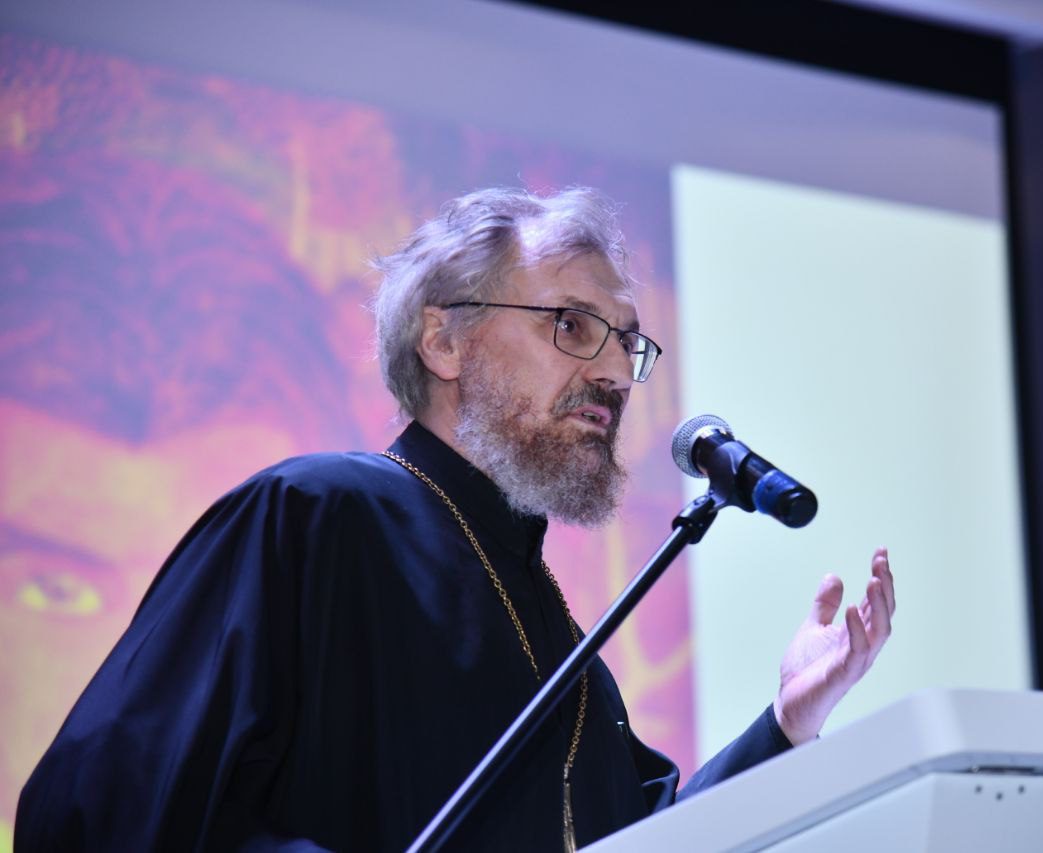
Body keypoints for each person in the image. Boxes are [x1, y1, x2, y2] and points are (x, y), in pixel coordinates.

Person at [15, 187, 895, 852]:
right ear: (442, 341)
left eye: (626, 341)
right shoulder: (312, 517)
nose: (613, 374)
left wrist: (784, 724)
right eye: (571, 324)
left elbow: (641, 839)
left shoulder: (555, 634)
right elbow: (95, 808)